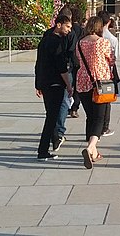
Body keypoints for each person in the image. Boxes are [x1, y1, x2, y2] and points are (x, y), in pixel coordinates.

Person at [75, 16, 115, 169]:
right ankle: (91, 147)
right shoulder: (103, 42)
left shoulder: (80, 43)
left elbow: (78, 60)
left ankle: (93, 152)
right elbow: (111, 60)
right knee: (100, 117)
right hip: (100, 83)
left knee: (90, 117)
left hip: (83, 81)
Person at [35, 13, 74, 161]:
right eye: (67, 26)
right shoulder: (57, 43)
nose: (69, 30)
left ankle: (49, 144)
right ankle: (43, 149)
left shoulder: (44, 41)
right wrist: (69, 85)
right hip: (55, 83)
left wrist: (38, 84)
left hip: (45, 82)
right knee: (52, 117)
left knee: (50, 115)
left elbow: (38, 64)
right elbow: (61, 67)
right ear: (59, 25)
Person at [98, 11, 118, 138]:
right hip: (107, 73)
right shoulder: (112, 39)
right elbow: (114, 58)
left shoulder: (88, 37)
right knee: (106, 101)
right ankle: (104, 127)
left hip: (92, 72)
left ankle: (93, 129)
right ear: (109, 22)